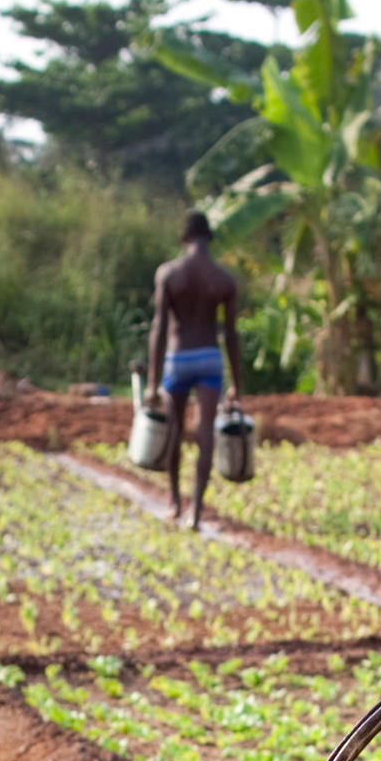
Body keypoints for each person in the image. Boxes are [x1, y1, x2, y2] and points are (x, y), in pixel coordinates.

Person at [143, 210, 245, 527]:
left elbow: (159, 328)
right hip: (209, 359)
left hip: (179, 357)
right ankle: (197, 512)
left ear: (184, 238)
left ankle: (174, 502)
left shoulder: (169, 274)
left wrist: (152, 381)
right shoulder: (223, 279)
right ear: (209, 239)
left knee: (173, 430)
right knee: (205, 434)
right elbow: (230, 334)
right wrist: (238, 385)